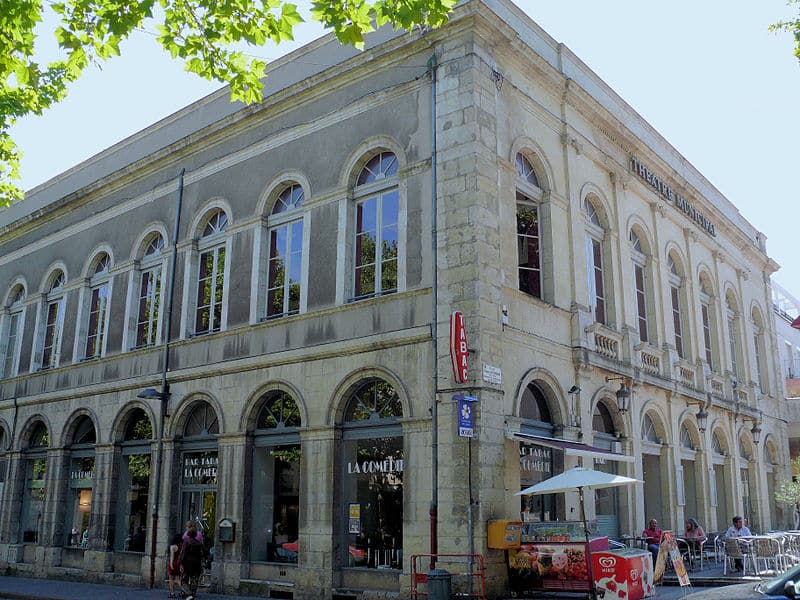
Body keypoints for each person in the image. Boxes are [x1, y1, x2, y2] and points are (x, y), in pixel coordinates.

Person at [179, 527, 204, 600]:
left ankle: (189, 594)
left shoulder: (186, 542)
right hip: (197, 563)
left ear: (188, 534)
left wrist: (181, 563)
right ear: (195, 534)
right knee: (194, 580)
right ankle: (192, 594)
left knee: (184, 580)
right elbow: (202, 553)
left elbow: (183, 553)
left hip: (187, 563)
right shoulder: (199, 543)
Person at [167, 533, 183, 599]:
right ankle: (185, 590)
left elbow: (172, 556)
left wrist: (171, 565)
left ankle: (172, 593)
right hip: (179, 563)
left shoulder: (172, 546)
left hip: (173, 563)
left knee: (171, 579)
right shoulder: (182, 546)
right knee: (178, 579)